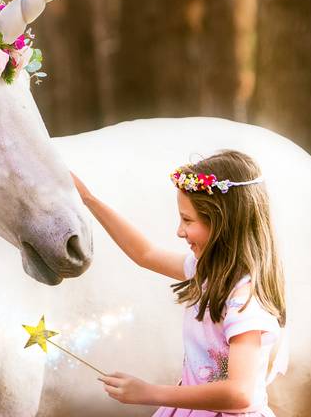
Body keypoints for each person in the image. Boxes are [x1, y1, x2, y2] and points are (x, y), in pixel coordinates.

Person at [72, 149, 289, 417]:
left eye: (187, 220)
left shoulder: (244, 300)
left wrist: (149, 392)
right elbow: (145, 254)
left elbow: (240, 394)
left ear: (223, 223)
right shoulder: (207, 271)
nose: (179, 231)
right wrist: (88, 199)